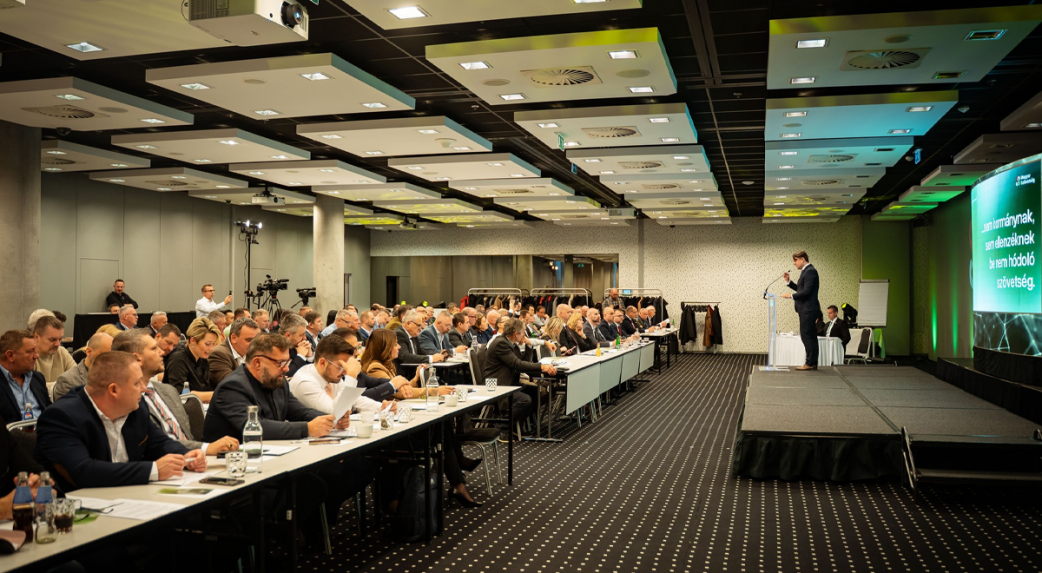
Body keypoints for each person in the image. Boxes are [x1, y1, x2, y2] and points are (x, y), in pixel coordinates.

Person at [203, 333, 369, 543]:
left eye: (288, 362)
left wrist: (329, 420)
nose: (286, 369)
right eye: (281, 363)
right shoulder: (234, 386)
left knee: (326, 479)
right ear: (257, 362)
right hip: (234, 467)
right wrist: (308, 428)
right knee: (312, 485)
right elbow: (256, 427)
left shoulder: (277, 382)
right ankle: (274, 540)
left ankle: (293, 536)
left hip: (270, 459)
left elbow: (297, 410)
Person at [35, 351, 206, 492]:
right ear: (114, 390)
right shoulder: (61, 417)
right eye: (137, 383)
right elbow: (83, 471)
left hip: (132, 496)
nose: (144, 389)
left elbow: (159, 443)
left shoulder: (136, 407)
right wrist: (153, 470)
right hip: (81, 506)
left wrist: (186, 456)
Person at [113, 329, 239, 456]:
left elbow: (188, 438)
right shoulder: (126, 402)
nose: (162, 352)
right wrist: (206, 448)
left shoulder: (168, 391)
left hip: (195, 458)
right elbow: (159, 445)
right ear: (137, 358)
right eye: (154, 348)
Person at [484, 318, 557, 435]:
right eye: (523, 331)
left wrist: (529, 345)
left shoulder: (512, 344)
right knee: (524, 400)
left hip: (510, 382)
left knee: (537, 392)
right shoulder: (501, 343)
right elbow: (517, 364)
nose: (524, 334)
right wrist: (542, 367)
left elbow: (523, 363)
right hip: (498, 385)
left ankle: (517, 424)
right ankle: (502, 428)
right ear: (515, 334)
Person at [289, 334, 390, 418]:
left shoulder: (330, 375)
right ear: (323, 362)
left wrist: (381, 407)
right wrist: (351, 376)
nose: (344, 372)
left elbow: (353, 400)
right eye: (341, 366)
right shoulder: (304, 382)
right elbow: (336, 413)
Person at [362, 329, 451, 400]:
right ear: (386, 348)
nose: (399, 347)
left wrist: (415, 378)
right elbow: (399, 393)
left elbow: (403, 389)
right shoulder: (375, 367)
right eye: (395, 344)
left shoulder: (387, 365)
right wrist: (433, 391)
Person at [782, 250, 821, 371]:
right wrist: (789, 282)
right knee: (810, 336)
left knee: (807, 336)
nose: (794, 263)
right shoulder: (807, 271)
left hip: (808, 309)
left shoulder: (810, 271)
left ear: (802, 259)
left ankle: (809, 363)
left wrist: (791, 296)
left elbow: (807, 292)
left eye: (795, 260)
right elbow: (801, 289)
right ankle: (812, 363)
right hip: (808, 309)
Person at [0, 330, 50, 425]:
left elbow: (49, 410)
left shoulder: (37, 378)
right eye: (30, 351)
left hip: (44, 431)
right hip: (12, 433)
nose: (37, 356)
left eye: (36, 351)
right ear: (10, 355)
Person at [164, 317, 221, 401]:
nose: (211, 348)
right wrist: (218, 394)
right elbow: (180, 394)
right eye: (207, 344)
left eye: (214, 344)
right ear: (193, 340)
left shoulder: (203, 360)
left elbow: (207, 388)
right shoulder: (178, 359)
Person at [54, 332, 113, 402]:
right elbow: (67, 408)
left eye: (112, 355)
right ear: (89, 352)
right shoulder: (67, 381)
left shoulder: (114, 375)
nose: (110, 360)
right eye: (105, 355)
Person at [208, 318, 260, 386]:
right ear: (234, 338)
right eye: (249, 340)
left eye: (256, 340)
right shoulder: (219, 354)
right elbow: (232, 384)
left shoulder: (255, 352)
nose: (254, 344)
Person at [32, 315, 75, 384]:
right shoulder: (28, 356)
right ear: (36, 337)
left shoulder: (62, 352)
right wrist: (62, 386)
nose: (57, 344)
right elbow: (31, 386)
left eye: (60, 339)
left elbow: (77, 379)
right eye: (52, 340)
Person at [279, 313, 314, 378]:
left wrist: (309, 357)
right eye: (301, 335)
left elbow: (310, 375)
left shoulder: (293, 347)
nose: (305, 338)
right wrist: (300, 356)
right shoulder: (275, 349)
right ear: (288, 335)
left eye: (305, 334)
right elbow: (285, 375)